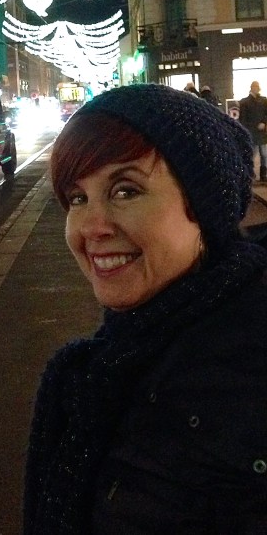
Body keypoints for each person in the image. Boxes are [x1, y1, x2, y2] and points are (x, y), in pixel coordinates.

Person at [24, 84, 267, 534]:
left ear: (202, 207)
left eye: (125, 191)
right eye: (77, 198)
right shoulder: (108, 366)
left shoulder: (243, 378)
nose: (92, 227)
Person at [239, 80, 267, 182]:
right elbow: (243, 118)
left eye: (257, 87)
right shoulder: (244, 102)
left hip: (261, 133)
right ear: (251, 88)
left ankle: (263, 175)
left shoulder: (264, 101)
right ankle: (250, 174)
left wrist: (264, 122)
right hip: (251, 132)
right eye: (254, 87)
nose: (256, 88)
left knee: (264, 155)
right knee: (252, 155)